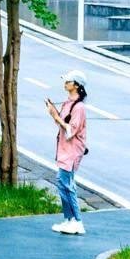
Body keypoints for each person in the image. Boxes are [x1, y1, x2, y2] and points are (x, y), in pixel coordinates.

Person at [46, 70, 90, 235]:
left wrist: (55, 117)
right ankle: (69, 219)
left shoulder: (79, 108)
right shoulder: (67, 104)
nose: (65, 83)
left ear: (76, 85)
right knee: (62, 182)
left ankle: (77, 221)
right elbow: (62, 124)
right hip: (64, 149)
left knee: (67, 184)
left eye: (68, 81)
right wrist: (54, 112)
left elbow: (71, 130)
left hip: (72, 150)